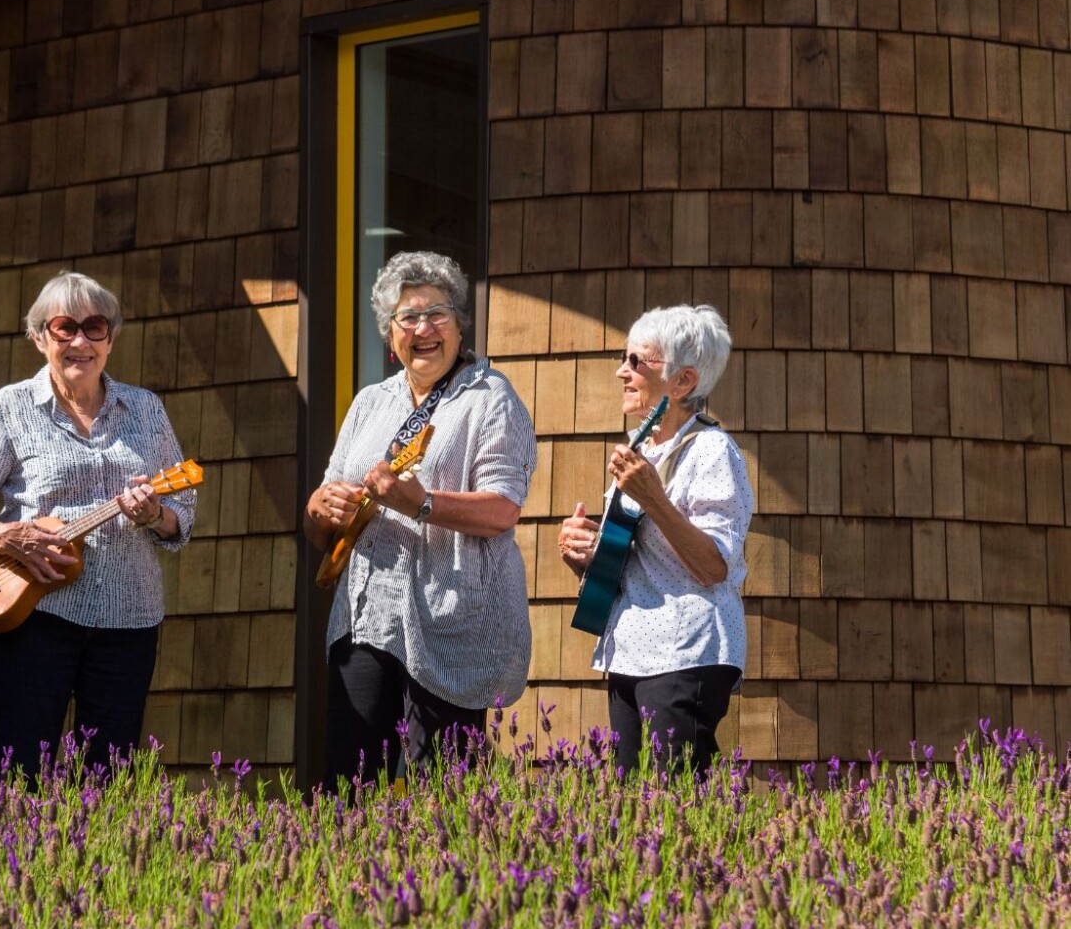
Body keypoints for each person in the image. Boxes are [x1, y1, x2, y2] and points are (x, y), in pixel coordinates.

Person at [0, 271, 195, 777]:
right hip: (34, 617)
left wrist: (154, 514)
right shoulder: (11, 407)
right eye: (64, 327)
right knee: (19, 774)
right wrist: (4, 535)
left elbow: (182, 517)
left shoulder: (146, 410)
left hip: (129, 619)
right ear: (38, 338)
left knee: (109, 782)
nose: (81, 340)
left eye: (95, 326)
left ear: (111, 338)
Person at [304, 251, 536, 789]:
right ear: (391, 335)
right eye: (408, 317)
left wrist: (420, 502)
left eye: (438, 313)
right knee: (349, 787)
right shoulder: (369, 403)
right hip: (366, 620)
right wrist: (320, 509)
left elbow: (503, 508)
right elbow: (323, 522)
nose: (424, 328)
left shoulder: (490, 397)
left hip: (454, 621)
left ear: (459, 326)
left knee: (446, 800)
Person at [558, 303, 753, 776]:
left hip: (685, 651)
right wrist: (586, 554)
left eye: (636, 361)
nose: (621, 371)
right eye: (624, 358)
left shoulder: (712, 450)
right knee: (632, 812)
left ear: (683, 382)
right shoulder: (643, 449)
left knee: (678, 805)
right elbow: (634, 553)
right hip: (629, 649)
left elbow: (714, 566)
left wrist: (655, 497)